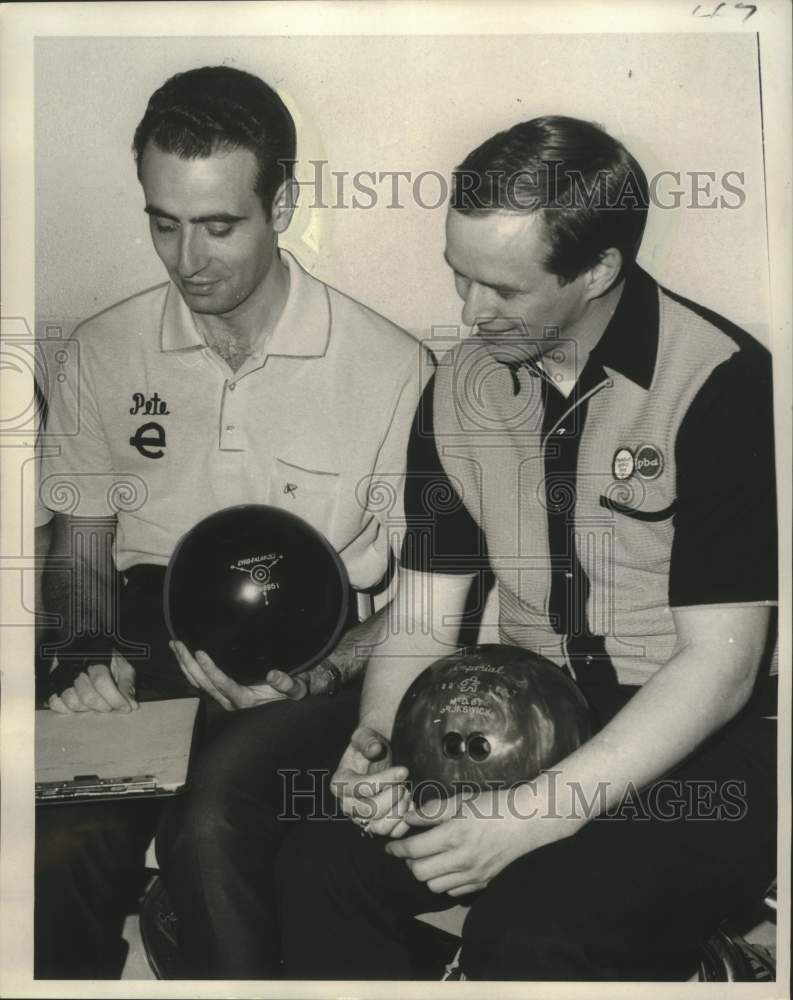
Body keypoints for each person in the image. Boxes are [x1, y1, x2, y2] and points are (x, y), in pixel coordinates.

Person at [274, 115, 778, 981]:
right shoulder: (457, 389)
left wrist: (527, 819)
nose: (468, 314)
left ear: (596, 272)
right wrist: (380, 750)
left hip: (697, 741)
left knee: (525, 931)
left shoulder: (725, 383)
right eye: (458, 278)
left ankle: (705, 957)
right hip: (519, 719)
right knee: (314, 873)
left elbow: (719, 672)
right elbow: (427, 619)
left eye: (501, 292)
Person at [36, 65, 424, 979]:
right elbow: (82, 543)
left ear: (280, 204)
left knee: (211, 831)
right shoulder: (102, 348)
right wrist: (88, 654)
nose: (186, 259)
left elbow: (421, 599)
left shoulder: (390, 365)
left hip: (305, 667)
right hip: (144, 643)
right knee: (56, 847)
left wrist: (319, 674)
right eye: (162, 223)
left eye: (217, 225)